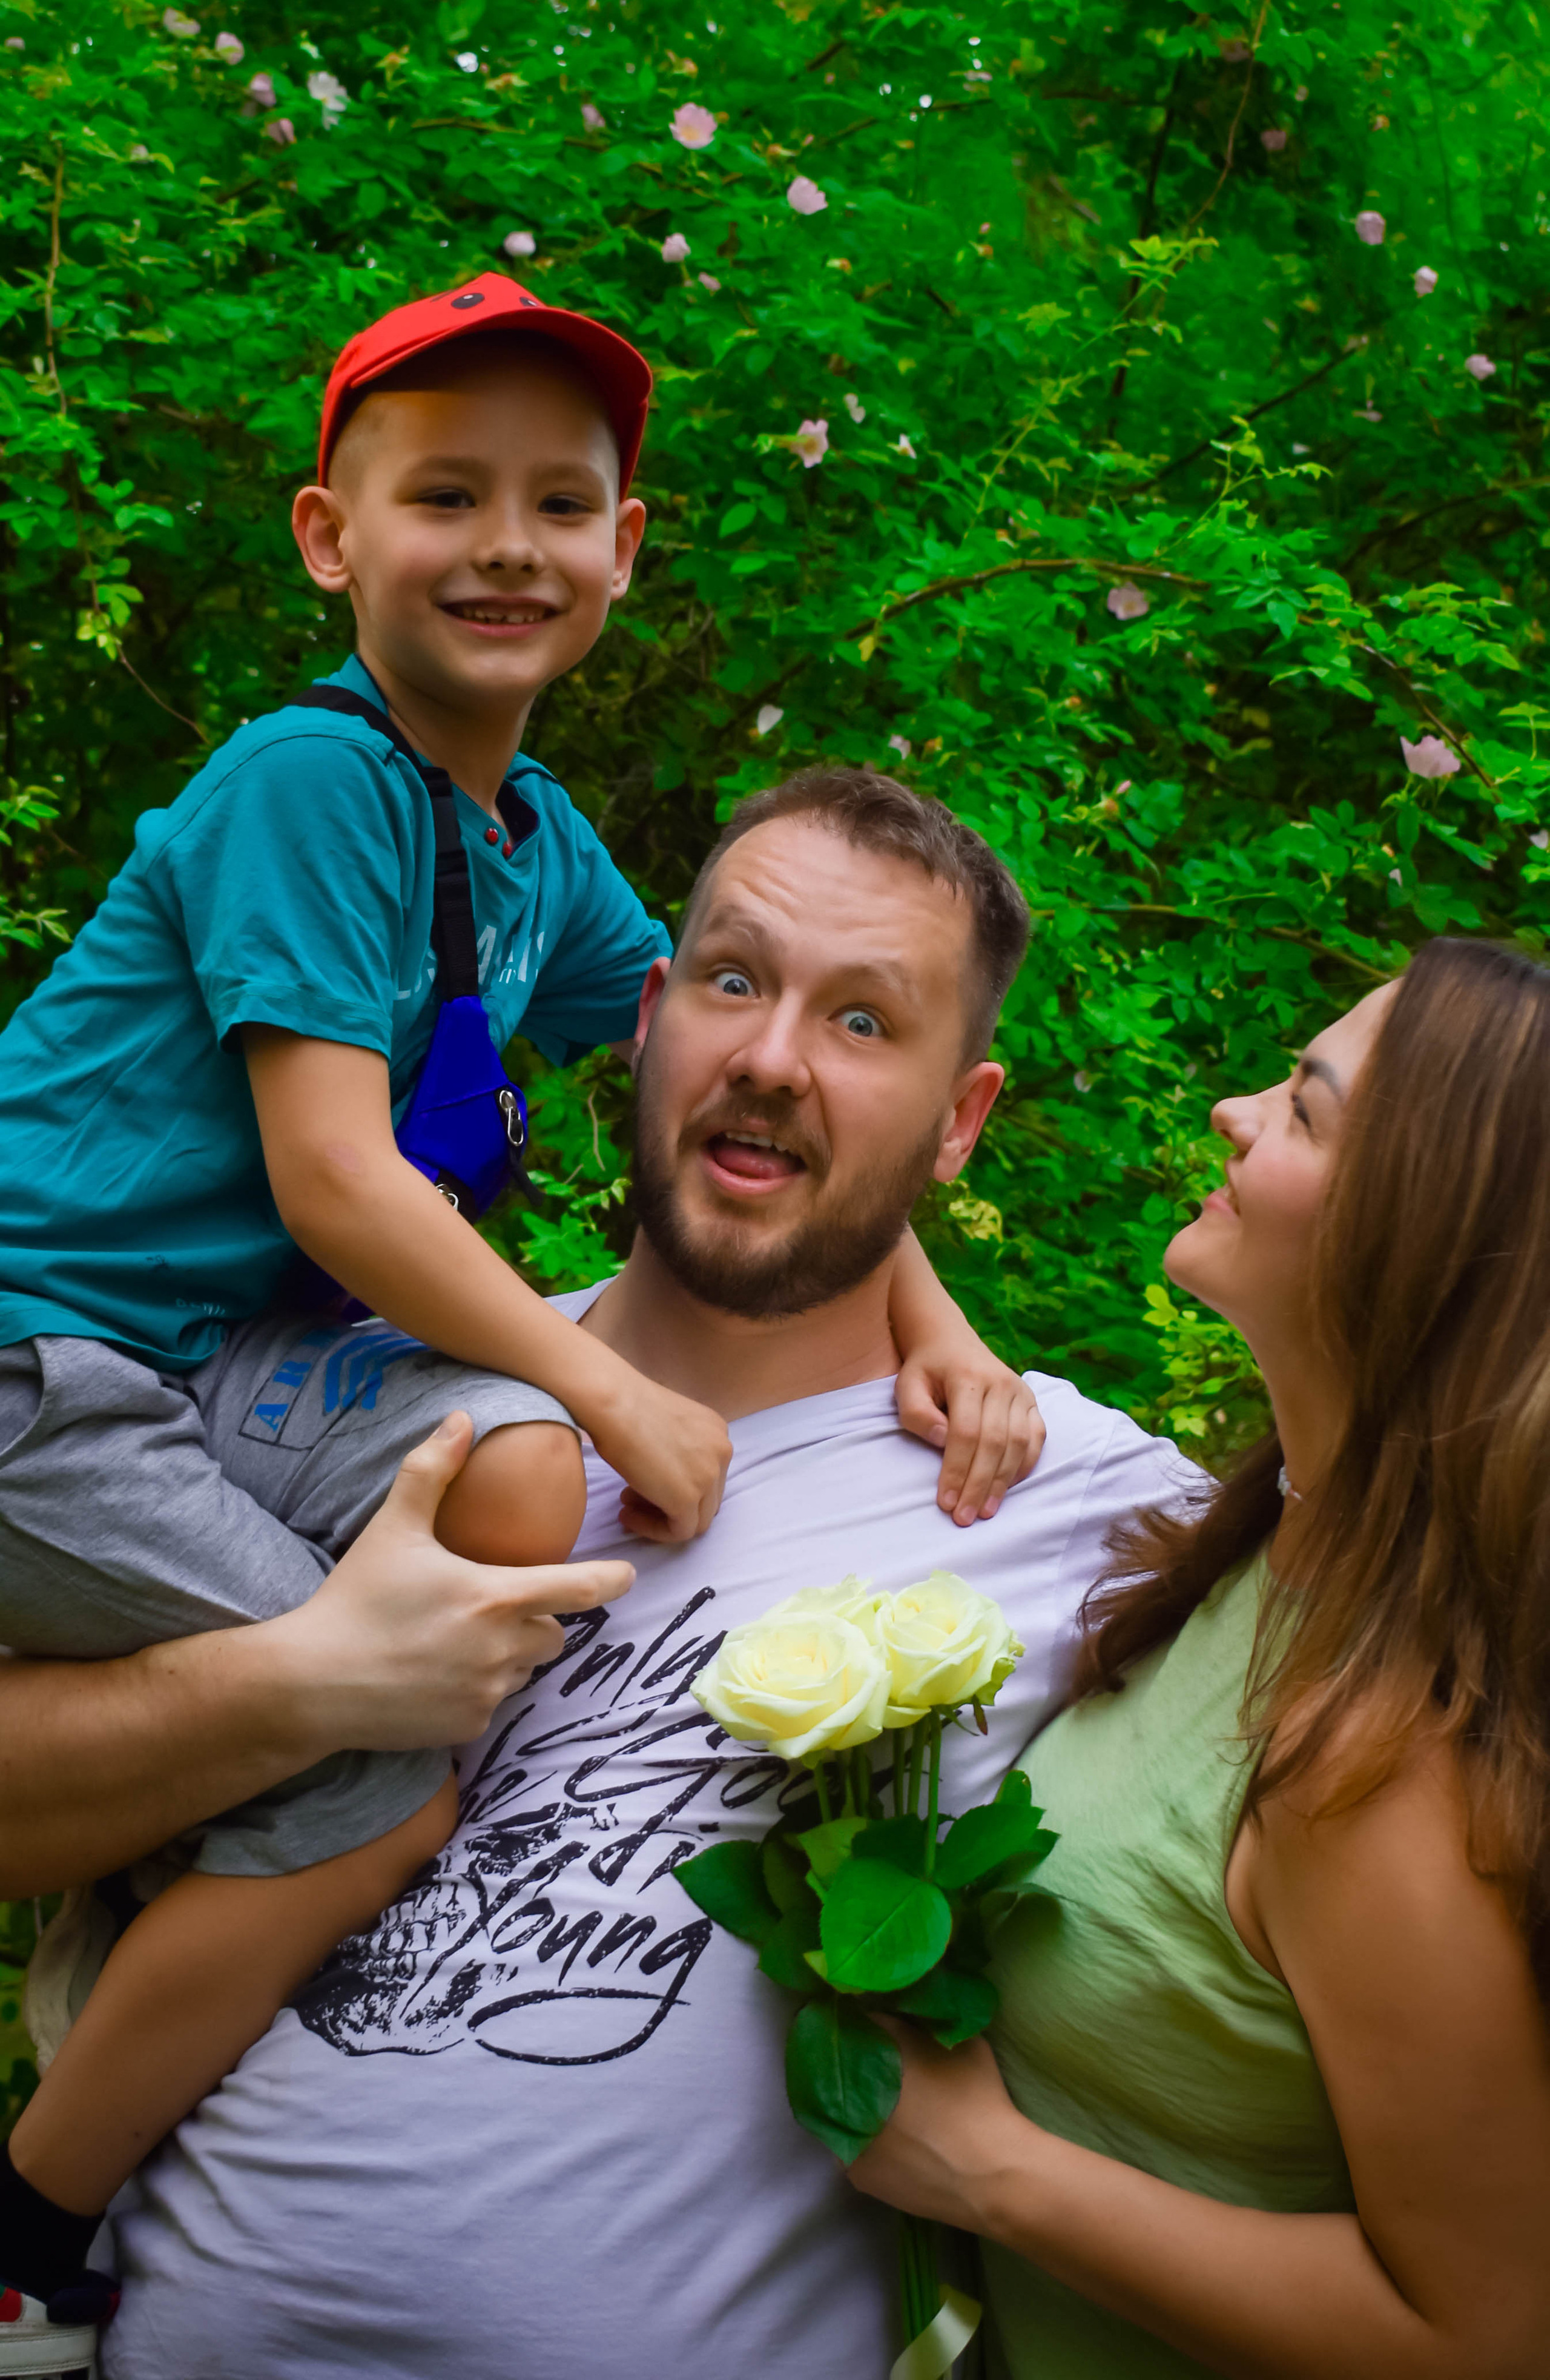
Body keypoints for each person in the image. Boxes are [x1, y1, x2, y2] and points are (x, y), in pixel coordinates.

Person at [0, 279, 1035, 2349]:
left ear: (623, 550)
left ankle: (215, 1821)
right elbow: (336, 1179)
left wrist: (929, 1310)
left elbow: (717, 1061)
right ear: (329, 537)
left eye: (560, 504)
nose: (507, 546)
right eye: (445, 496)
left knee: (518, 1472)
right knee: (383, 1766)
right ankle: (34, 2218)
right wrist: (615, 1384)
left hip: (199, 1370)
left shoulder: (531, 845)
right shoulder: (308, 786)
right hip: (45, 1361)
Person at [71, 767, 1196, 2378]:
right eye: (733, 982)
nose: (772, 1058)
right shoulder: (356, 1404)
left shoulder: (1077, 1503)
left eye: (863, 1021)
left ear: (961, 1121)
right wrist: (299, 1686)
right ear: (649, 1017)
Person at [848, 937, 1550, 2379]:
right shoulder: (1268, 1549)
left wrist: (988, 2172)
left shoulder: (1383, 1771)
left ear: (1416, 1238)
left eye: (1303, 1108)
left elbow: (1485, 2333)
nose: (1233, 1111)